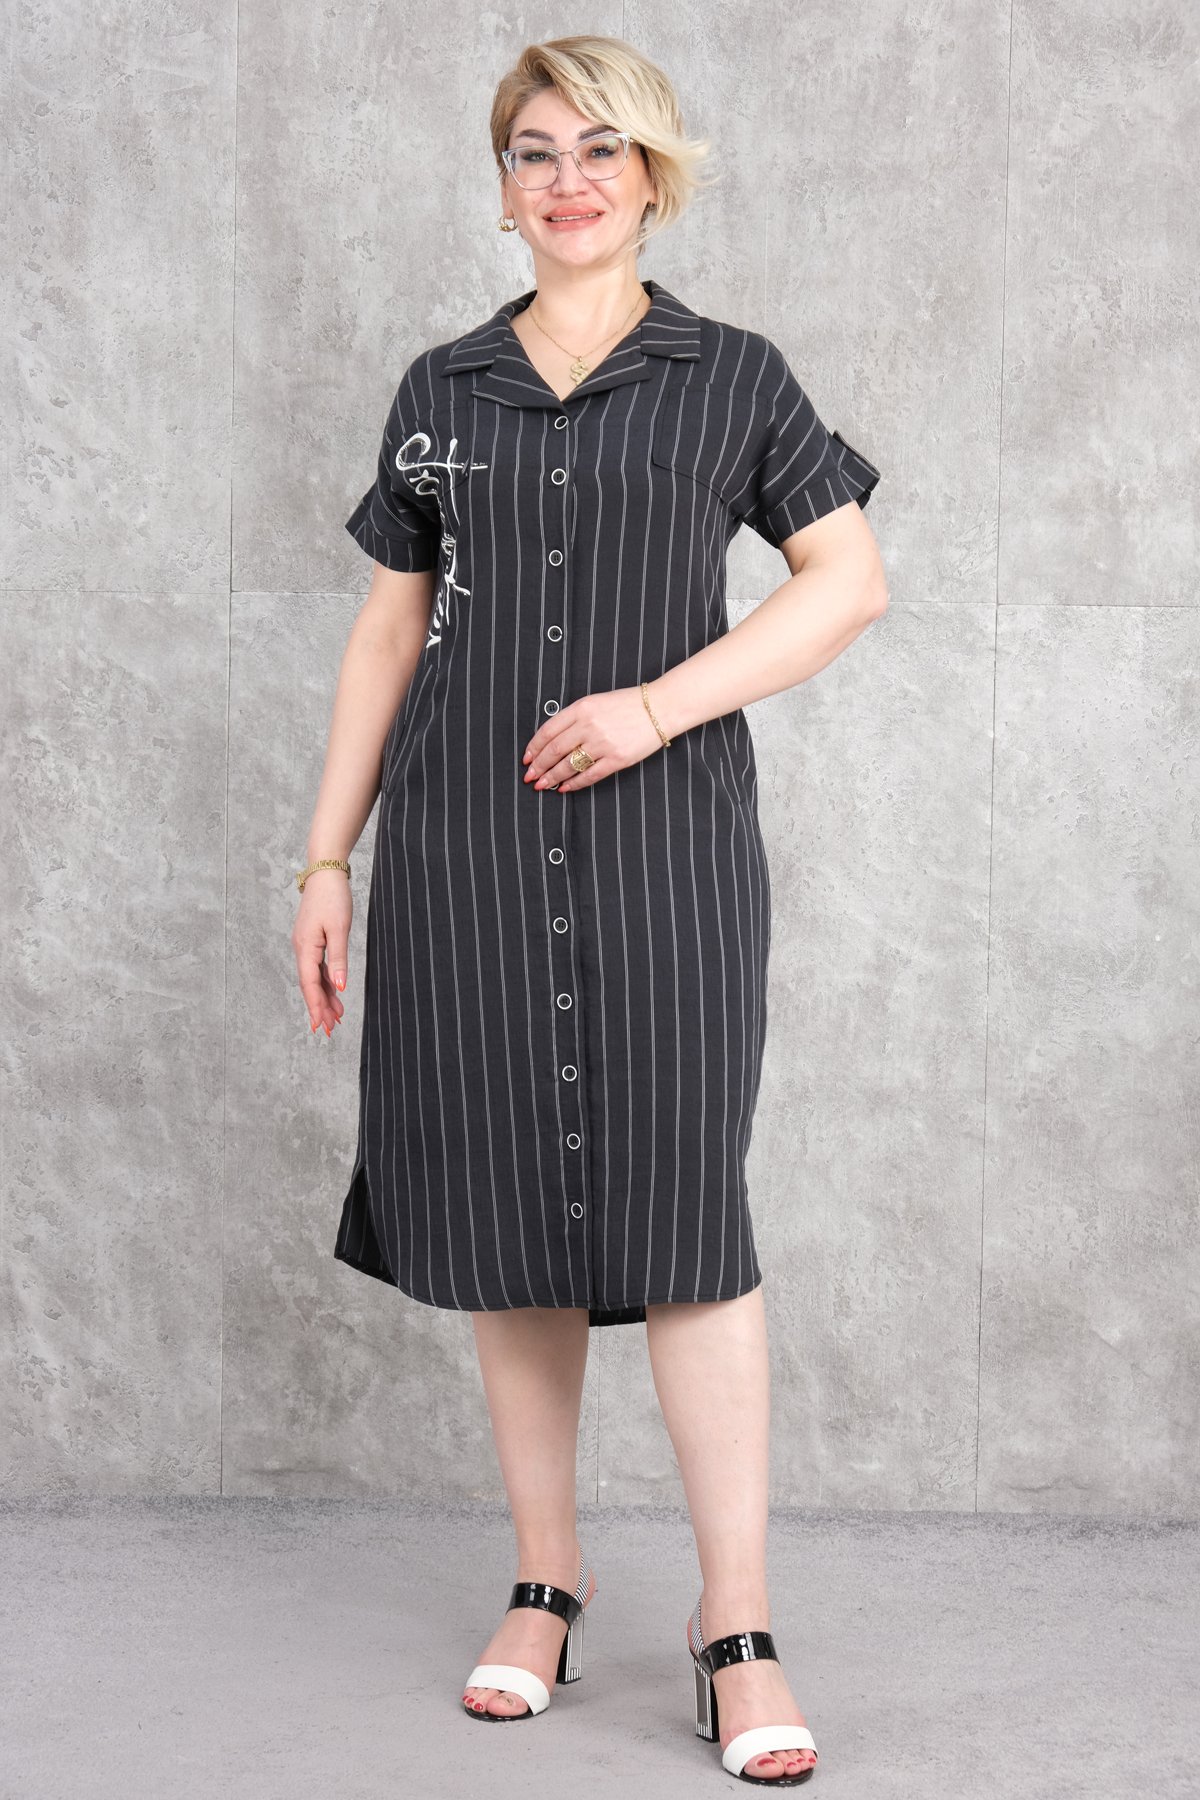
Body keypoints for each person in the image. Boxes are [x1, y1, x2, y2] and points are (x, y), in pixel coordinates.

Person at [293, 33, 885, 1788]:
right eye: (536, 151)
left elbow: (847, 583)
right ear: (502, 185)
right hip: (463, 852)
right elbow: (390, 628)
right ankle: (546, 1579)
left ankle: (736, 1623)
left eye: (603, 150)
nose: (570, 180)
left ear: (654, 177)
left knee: (688, 1221)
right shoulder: (442, 388)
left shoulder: (735, 375)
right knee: (500, 1217)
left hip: (666, 852)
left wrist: (657, 706)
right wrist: (325, 861)